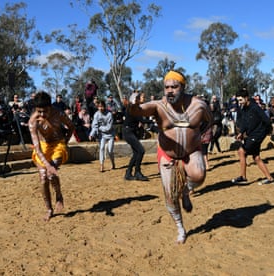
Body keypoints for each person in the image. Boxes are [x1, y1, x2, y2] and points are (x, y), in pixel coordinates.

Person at [128, 70, 213, 243]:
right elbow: (138, 111)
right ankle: (180, 228)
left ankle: (185, 191)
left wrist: (201, 134)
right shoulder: (158, 106)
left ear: (183, 86)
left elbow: (210, 120)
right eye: (166, 87)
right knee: (170, 196)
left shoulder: (199, 105)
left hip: (191, 151)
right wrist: (133, 104)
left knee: (199, 175)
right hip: (168, 155)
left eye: (174, 87)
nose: (170, 91)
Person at [28, 91, 75, 221]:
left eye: (45, 111)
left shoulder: (58, 114)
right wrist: (47, 165)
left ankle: (59, 196)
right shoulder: (33, 121)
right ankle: (49, 209)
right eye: (39, 111)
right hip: (43, 146)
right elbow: (37, 148)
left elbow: (71, 126)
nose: (42, 115)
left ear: (50, 107)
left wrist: (65, 141)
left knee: (51, 174)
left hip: (58, 144)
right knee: (43, 177)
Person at [231, 88, 274, 185]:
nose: (239, 102)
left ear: (246, 98)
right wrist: (241, 132)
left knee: (241, 151)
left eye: (241, 100)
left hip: (257, 135)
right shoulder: (244, 109)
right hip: (251, 134)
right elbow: (245, 123)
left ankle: (243, 177)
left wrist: (264, 133)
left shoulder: (255, 108)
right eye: (238, 100)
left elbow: (267, 121)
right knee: (256, 157)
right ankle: (270, 178)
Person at [123, 91, 149, 181]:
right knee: (141, 151)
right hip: (128, 132)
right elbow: (142, 120)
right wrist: (155, 121)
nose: (139, 100)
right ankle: (137, 172)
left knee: (136, 153)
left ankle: (128, 173)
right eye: (137, 99)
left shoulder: (134, 107)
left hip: (130, 132)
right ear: (134, 100)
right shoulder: (133, 108)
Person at [89, 99, 116, 172]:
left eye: (102, 106)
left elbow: (109, 127)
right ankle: (102, 165)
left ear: (105, 106)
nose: (100, 108)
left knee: (110, 150)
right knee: (101, 148)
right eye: (99, 107)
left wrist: (100, 128)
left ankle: (113, 163)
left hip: (110, 134)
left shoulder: (109, 114)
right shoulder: (96, 114)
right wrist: (91, 134)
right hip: (102, 135)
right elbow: (94, 126)